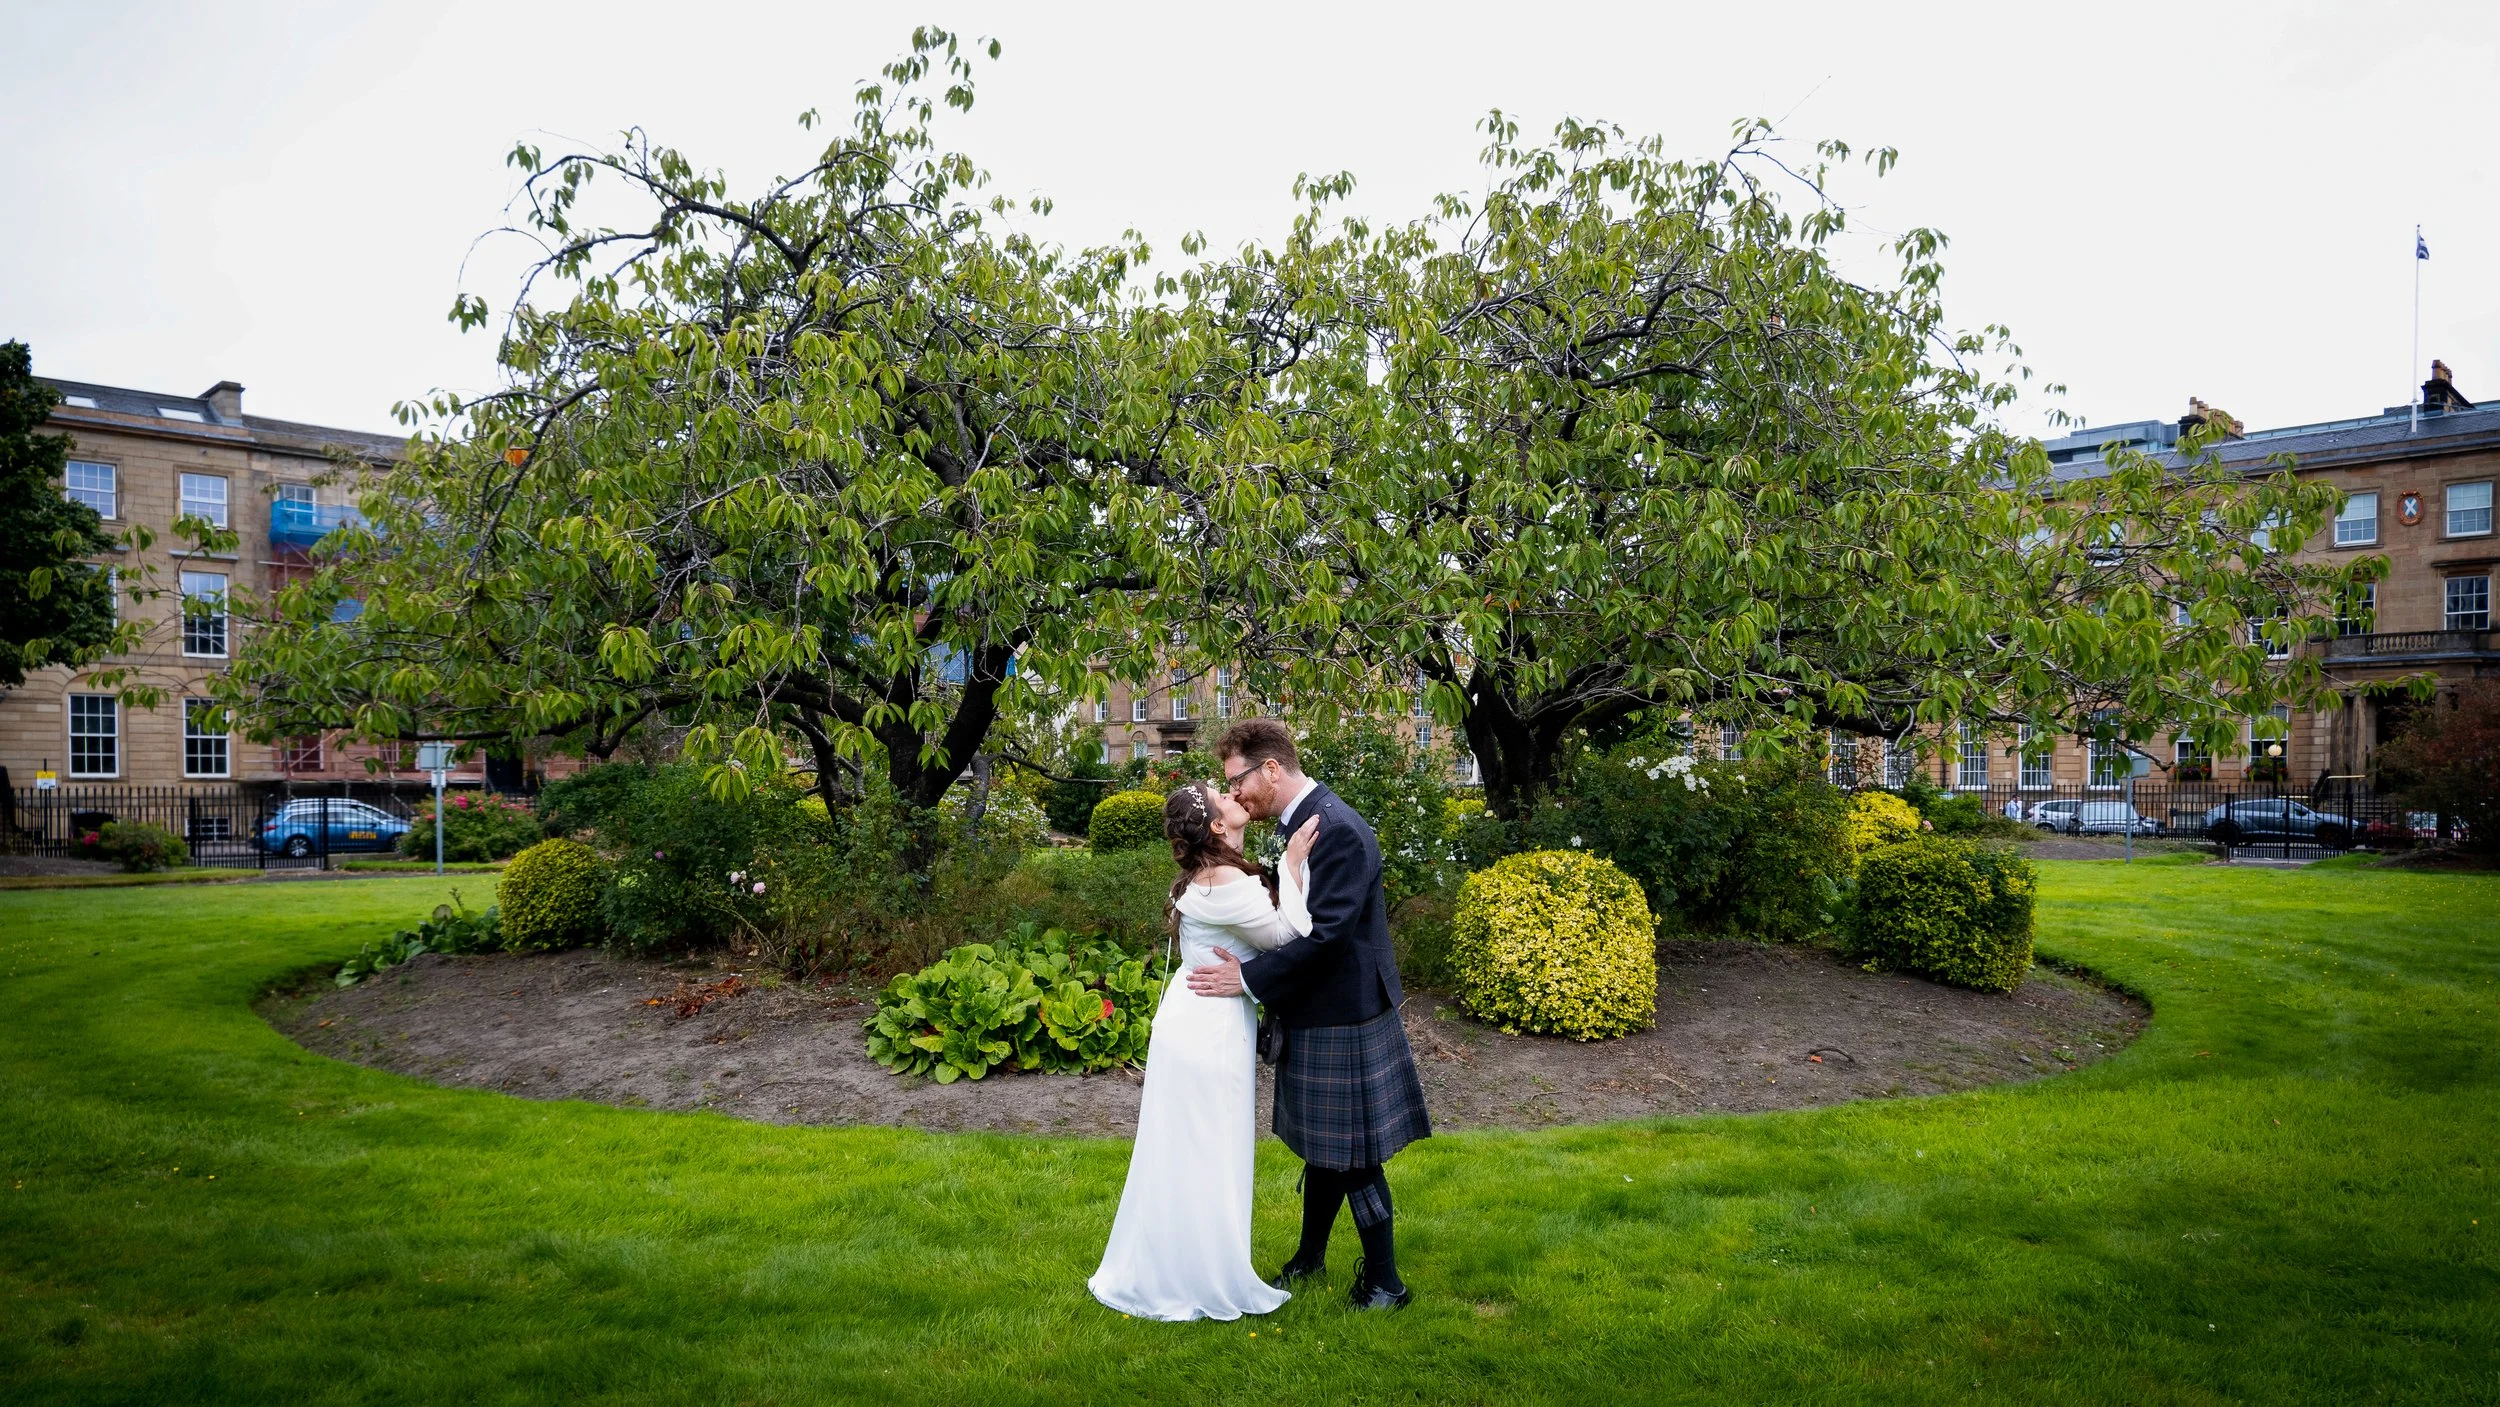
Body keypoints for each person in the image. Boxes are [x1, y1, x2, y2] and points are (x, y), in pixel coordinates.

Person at [1186, 717, 1431, 1311]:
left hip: (1343, 1013)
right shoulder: (1302, 823)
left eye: (1238, 780)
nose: (1235, 793)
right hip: (1325, 1008)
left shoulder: (1336, 830)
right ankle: (1309, 1258)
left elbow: (1325, 939)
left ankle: (1385, 1283)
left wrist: (1245, 979)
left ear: (1272, 768)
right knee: (1327, 1149)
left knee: (1352, 1156)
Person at [1088, 778, 1320, 1321]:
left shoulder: (1215, 875)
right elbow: (1289, 938)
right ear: (1217, 826)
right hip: (1209, 1030)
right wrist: (1290, 865)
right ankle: (1201, 1277)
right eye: (1225, 797)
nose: (1236, 796)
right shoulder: (1223, 883)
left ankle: (1176, 1264)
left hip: (1193, 1021)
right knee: (1209, 1151)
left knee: (1185, 1151)